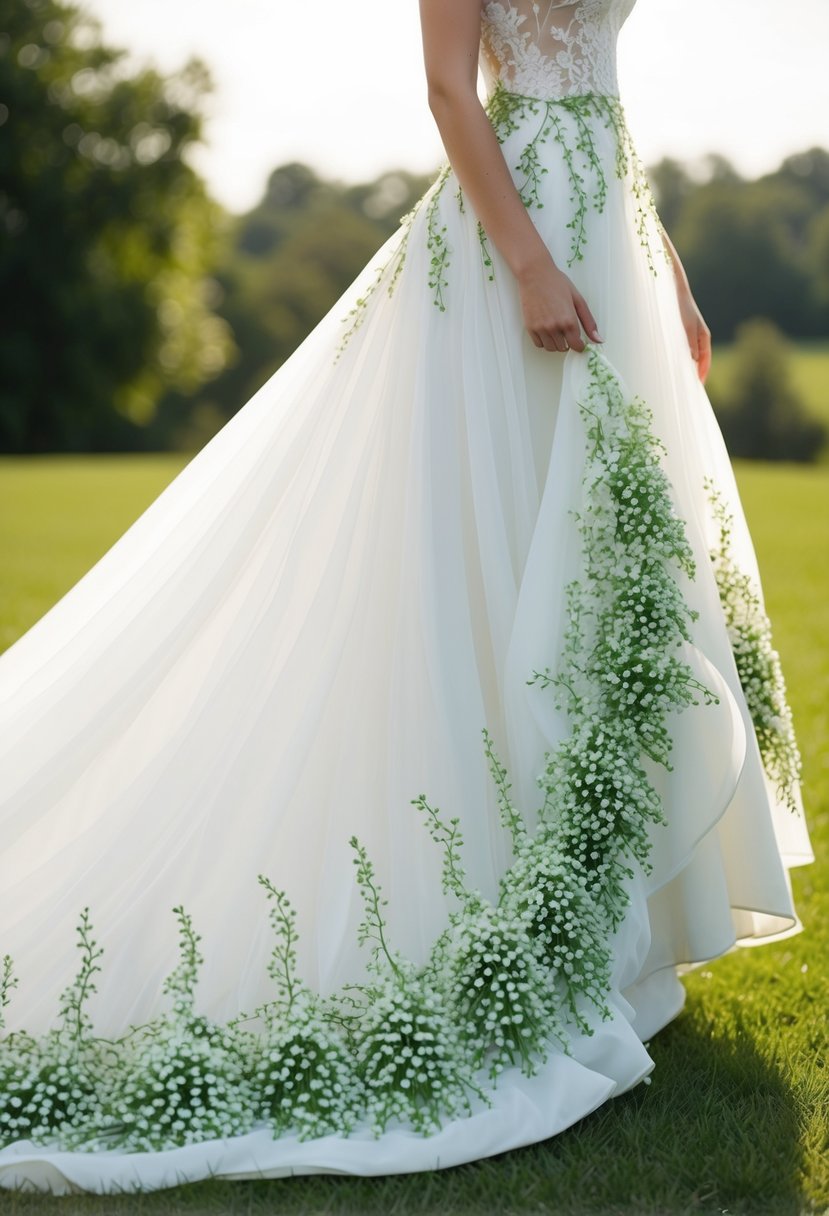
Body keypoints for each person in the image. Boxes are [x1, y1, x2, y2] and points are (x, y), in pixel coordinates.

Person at [0, 0, 814, 1194]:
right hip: (511, 246)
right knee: (487, 571)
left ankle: (605, 942)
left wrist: (665, 269)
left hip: (605, 229)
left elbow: (601, 93)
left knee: (605, 576)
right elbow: (449, 89)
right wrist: (530, 261)